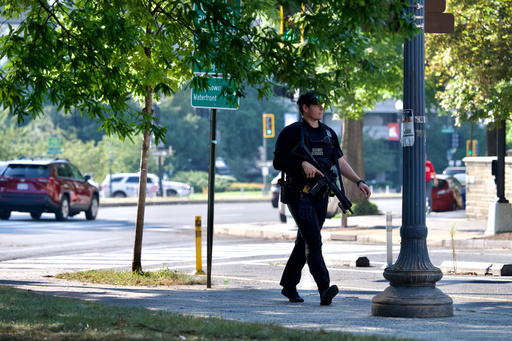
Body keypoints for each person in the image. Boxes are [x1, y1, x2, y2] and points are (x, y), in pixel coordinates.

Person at [273, 91, 371, 305]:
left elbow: (340, 162)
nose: (321, 108)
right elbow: (278, 162)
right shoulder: (291, 133)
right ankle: (324, 288)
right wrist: (301, 164)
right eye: (316, 105)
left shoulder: (328, 133)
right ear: (304, 108)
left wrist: (359, 181)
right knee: (314, 241)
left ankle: (289, 285)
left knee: (305, 241)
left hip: (321, 195)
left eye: (322, 105)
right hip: (299, 195)